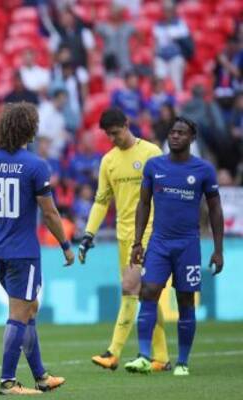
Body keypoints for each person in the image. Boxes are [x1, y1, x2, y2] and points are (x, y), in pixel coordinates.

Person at [0, 102, 74, 395]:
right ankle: (7, 381)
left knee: (29, 308)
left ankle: (41, 376)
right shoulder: (36, 165)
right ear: (29, 129)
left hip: (0, 249)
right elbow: (50, 213)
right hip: (24, 252)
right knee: (19, 313)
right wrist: (65, 245)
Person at [126, 117, 224, 376]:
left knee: (185, 299)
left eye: (181, 133)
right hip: (159, 242)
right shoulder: (154, 166)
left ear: (192, 138)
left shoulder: (203, 170)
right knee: (148, 291)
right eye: (172, 132)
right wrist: (137, 241)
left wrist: (218, 249)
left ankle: (182, 362)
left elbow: (215, 209)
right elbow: (143, 203)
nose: (175, 136)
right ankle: (143, 356)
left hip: (188, 245)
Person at [78, 108, 171, 372]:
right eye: (108, 135)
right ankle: (162, 358)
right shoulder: (108, 161)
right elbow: (101, 201)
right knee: (146, 294)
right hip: (123, 235)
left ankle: (113, 352)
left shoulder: (151, 153)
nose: (112, 139)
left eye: (115, 133)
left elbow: (165, 193)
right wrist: (88, 234)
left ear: (127, 125)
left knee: (130, 287)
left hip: (149, 232)